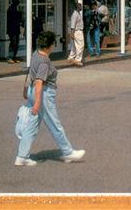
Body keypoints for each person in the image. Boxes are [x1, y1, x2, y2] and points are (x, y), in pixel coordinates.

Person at [15, 30, 85, 166]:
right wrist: (37, 102)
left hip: (32, 90)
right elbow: (40, 81)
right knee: (54, 123)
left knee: (31, 125)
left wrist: (26, 89)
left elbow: (30, 73)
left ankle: (22, 156)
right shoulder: (44, 61)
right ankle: (67, 151)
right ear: (50, 46)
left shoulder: (36, 54)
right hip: (43, 94)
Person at [6, 0, 22, 64]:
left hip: (16, 28)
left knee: (16, 43)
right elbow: (14, 18)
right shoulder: (11, 8)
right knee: (13, 42)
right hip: (12, 29)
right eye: (18, 1)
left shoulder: (16, 8)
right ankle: (10, 57)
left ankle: (14, 57)